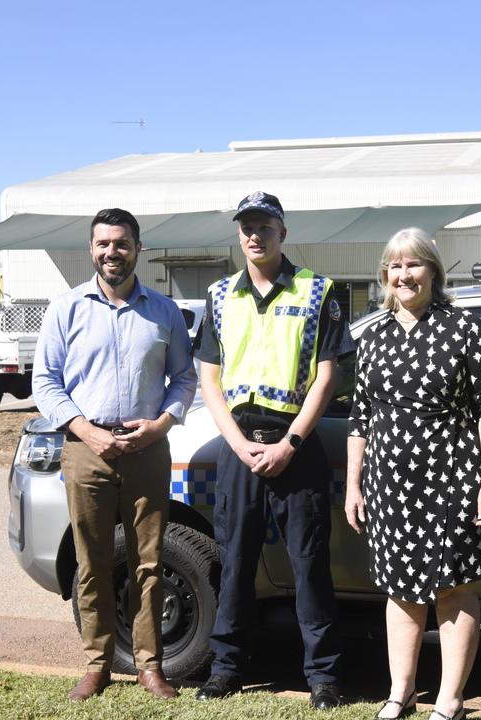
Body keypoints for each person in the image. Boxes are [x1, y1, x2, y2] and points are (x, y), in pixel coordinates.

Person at [193, 191, 353, 710]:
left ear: (283, 232)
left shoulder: (318, 291)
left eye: (264, 226)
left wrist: (291, 443)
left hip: (295, 444)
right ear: (238, 234)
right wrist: (237, 444)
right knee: (235, 561)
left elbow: (327, 376)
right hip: (239, 445)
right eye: (246, 227)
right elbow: (209, 380)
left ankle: (323, 678)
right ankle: (226, 669)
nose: (254, 235)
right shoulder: (220, 296)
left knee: (309, 564)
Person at [33, 208, 198, 702]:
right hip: (87, 449)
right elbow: (45, 382)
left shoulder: (164, 311)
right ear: (91, 249)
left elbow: (184, 379)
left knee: (149, 563)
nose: (112, 252)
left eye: (121, 243)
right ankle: (97, 663)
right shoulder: (66, 309)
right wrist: (87, 430)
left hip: (147, 449)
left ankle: (151, 665)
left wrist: (162, 424)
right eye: (103, 243)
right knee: (93, 562)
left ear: (137, 249)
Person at [344, 228, 481, 720]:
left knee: (452, 589)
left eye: (413, 264)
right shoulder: (373, 335)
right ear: (384, 275)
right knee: (399, 588)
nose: (403, 274)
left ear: (433, 270)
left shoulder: (463, 328)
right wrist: (353, 485)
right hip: (388, 483)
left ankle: (451, 699)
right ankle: (402, 692)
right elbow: (360, 419)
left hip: (452, 478)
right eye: (394, 265)